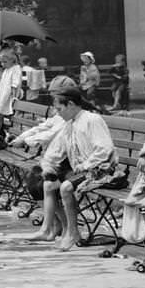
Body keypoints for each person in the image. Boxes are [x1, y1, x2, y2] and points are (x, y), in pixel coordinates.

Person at [33, 86, 116, 251]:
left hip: (101, 169)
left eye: (59, 109)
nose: (58, 113)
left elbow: (104, 149)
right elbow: (57, 150)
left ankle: (73, 232)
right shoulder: (69, 124)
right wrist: (47, 164)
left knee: (66, 186)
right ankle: (48, 229)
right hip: (81, 171)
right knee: (47, 183)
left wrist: (86, 165)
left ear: (70, 104)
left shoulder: (92, 119)